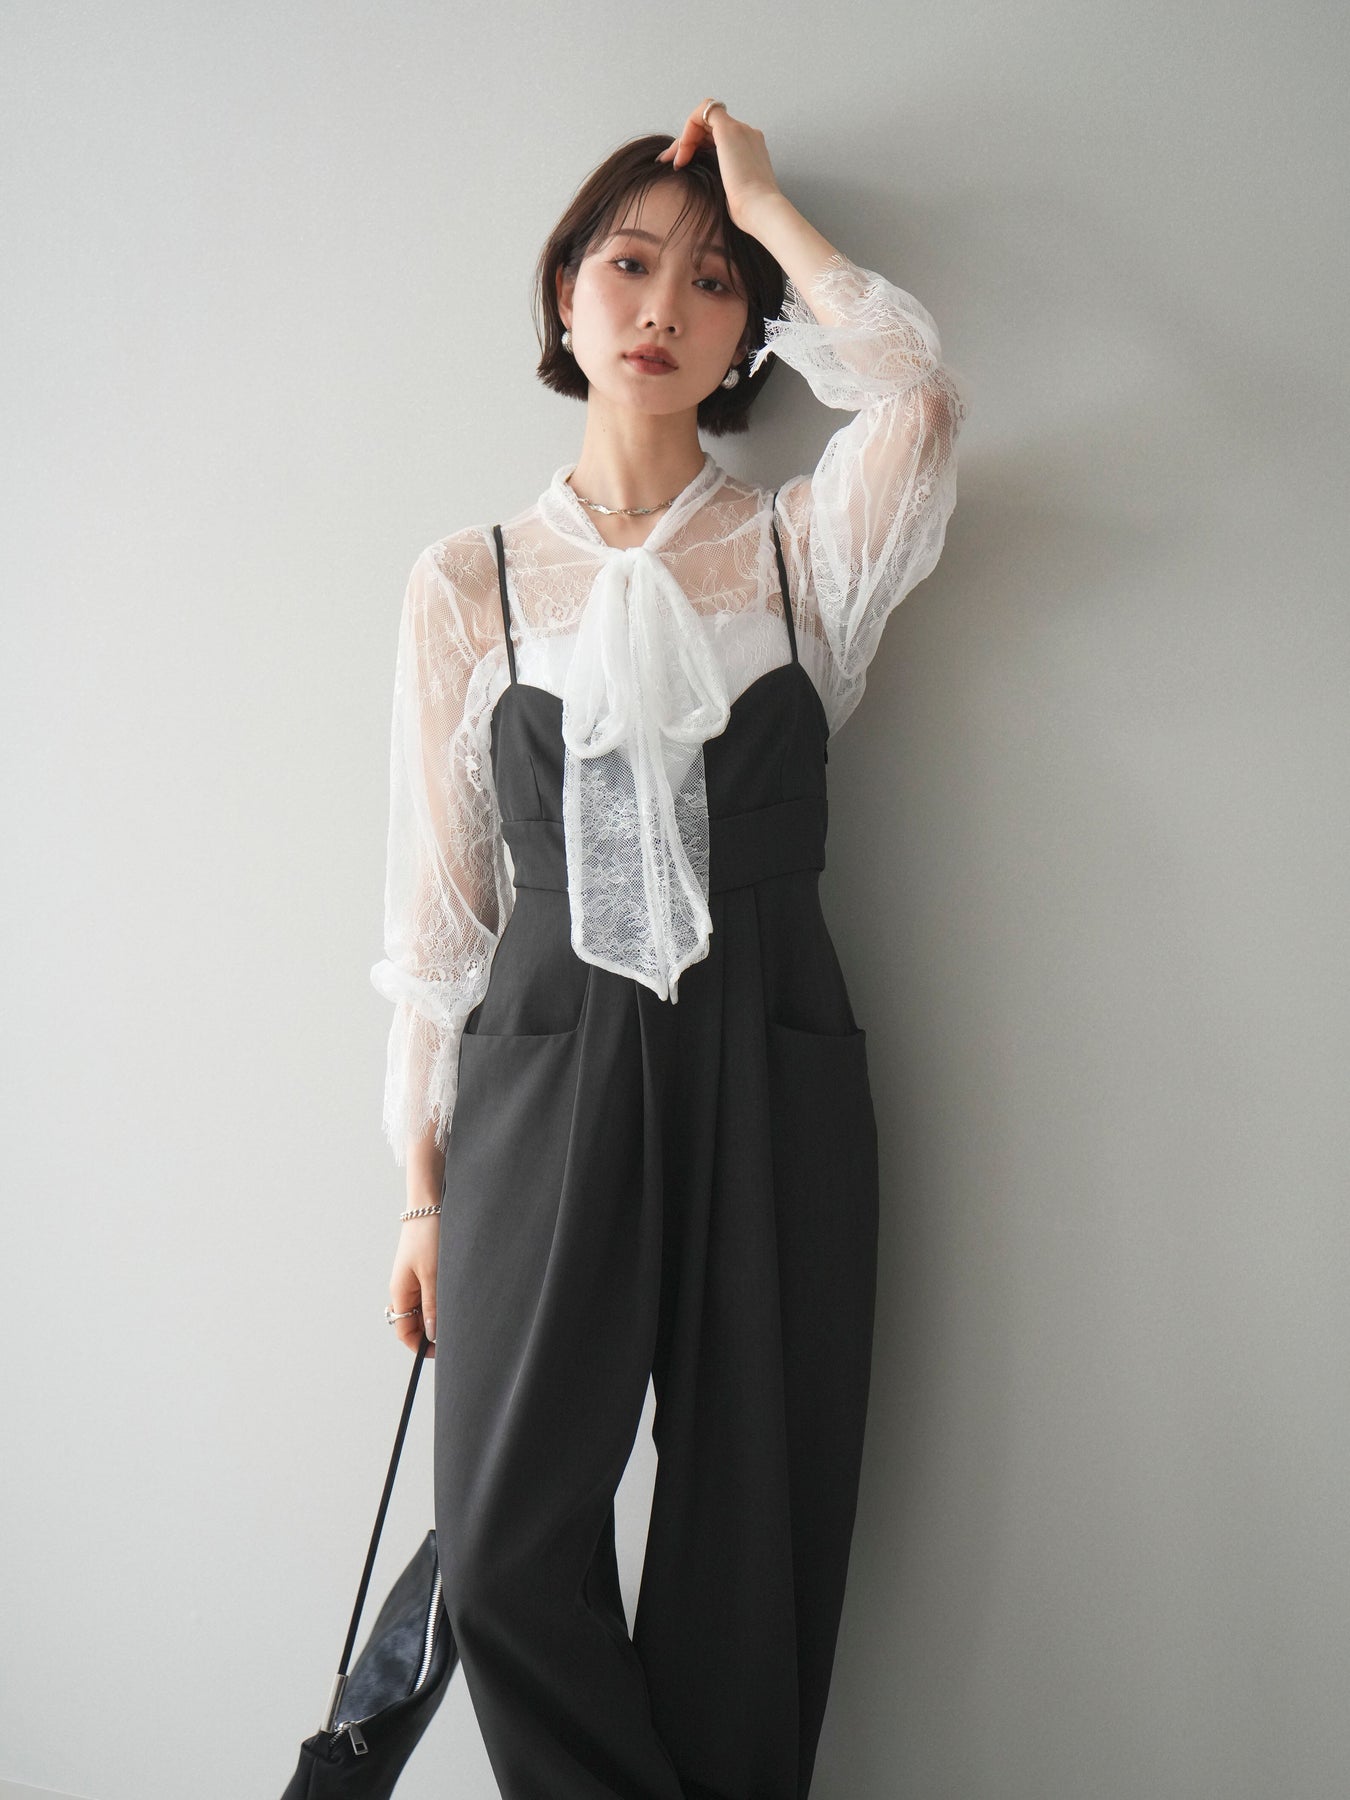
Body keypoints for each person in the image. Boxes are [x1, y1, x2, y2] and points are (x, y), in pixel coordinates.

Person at [369, 98, 967, 1800]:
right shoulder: (470, 583)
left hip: (770, 1057)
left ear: (748, 332)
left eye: (711, 283)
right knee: (501, 1550)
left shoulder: (795, 554)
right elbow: (437, 918)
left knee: (752, 1547)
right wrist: (418, 1190)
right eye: (628, 265)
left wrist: (765, 208)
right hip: (541, 1077)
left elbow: (916, 405)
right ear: (565, 290)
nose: (661, 308)